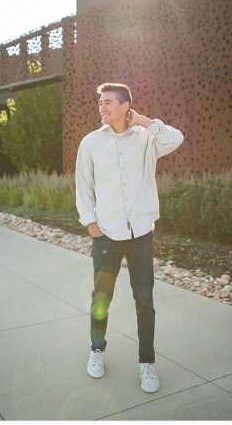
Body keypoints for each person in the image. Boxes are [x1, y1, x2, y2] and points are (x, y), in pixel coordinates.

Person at [75, 83, 183, 393]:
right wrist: (90, 223)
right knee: (101, 298)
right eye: (100, 102)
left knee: (144, 300)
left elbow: (176, 138)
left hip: (140, 234)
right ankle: (96, 351)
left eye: (108, 102)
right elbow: (83, 186)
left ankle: (146, 363)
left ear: (126, 106)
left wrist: (144, 121)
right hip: (106, 234)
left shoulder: (147, 139)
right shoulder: (91, 142)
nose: (102, 107)